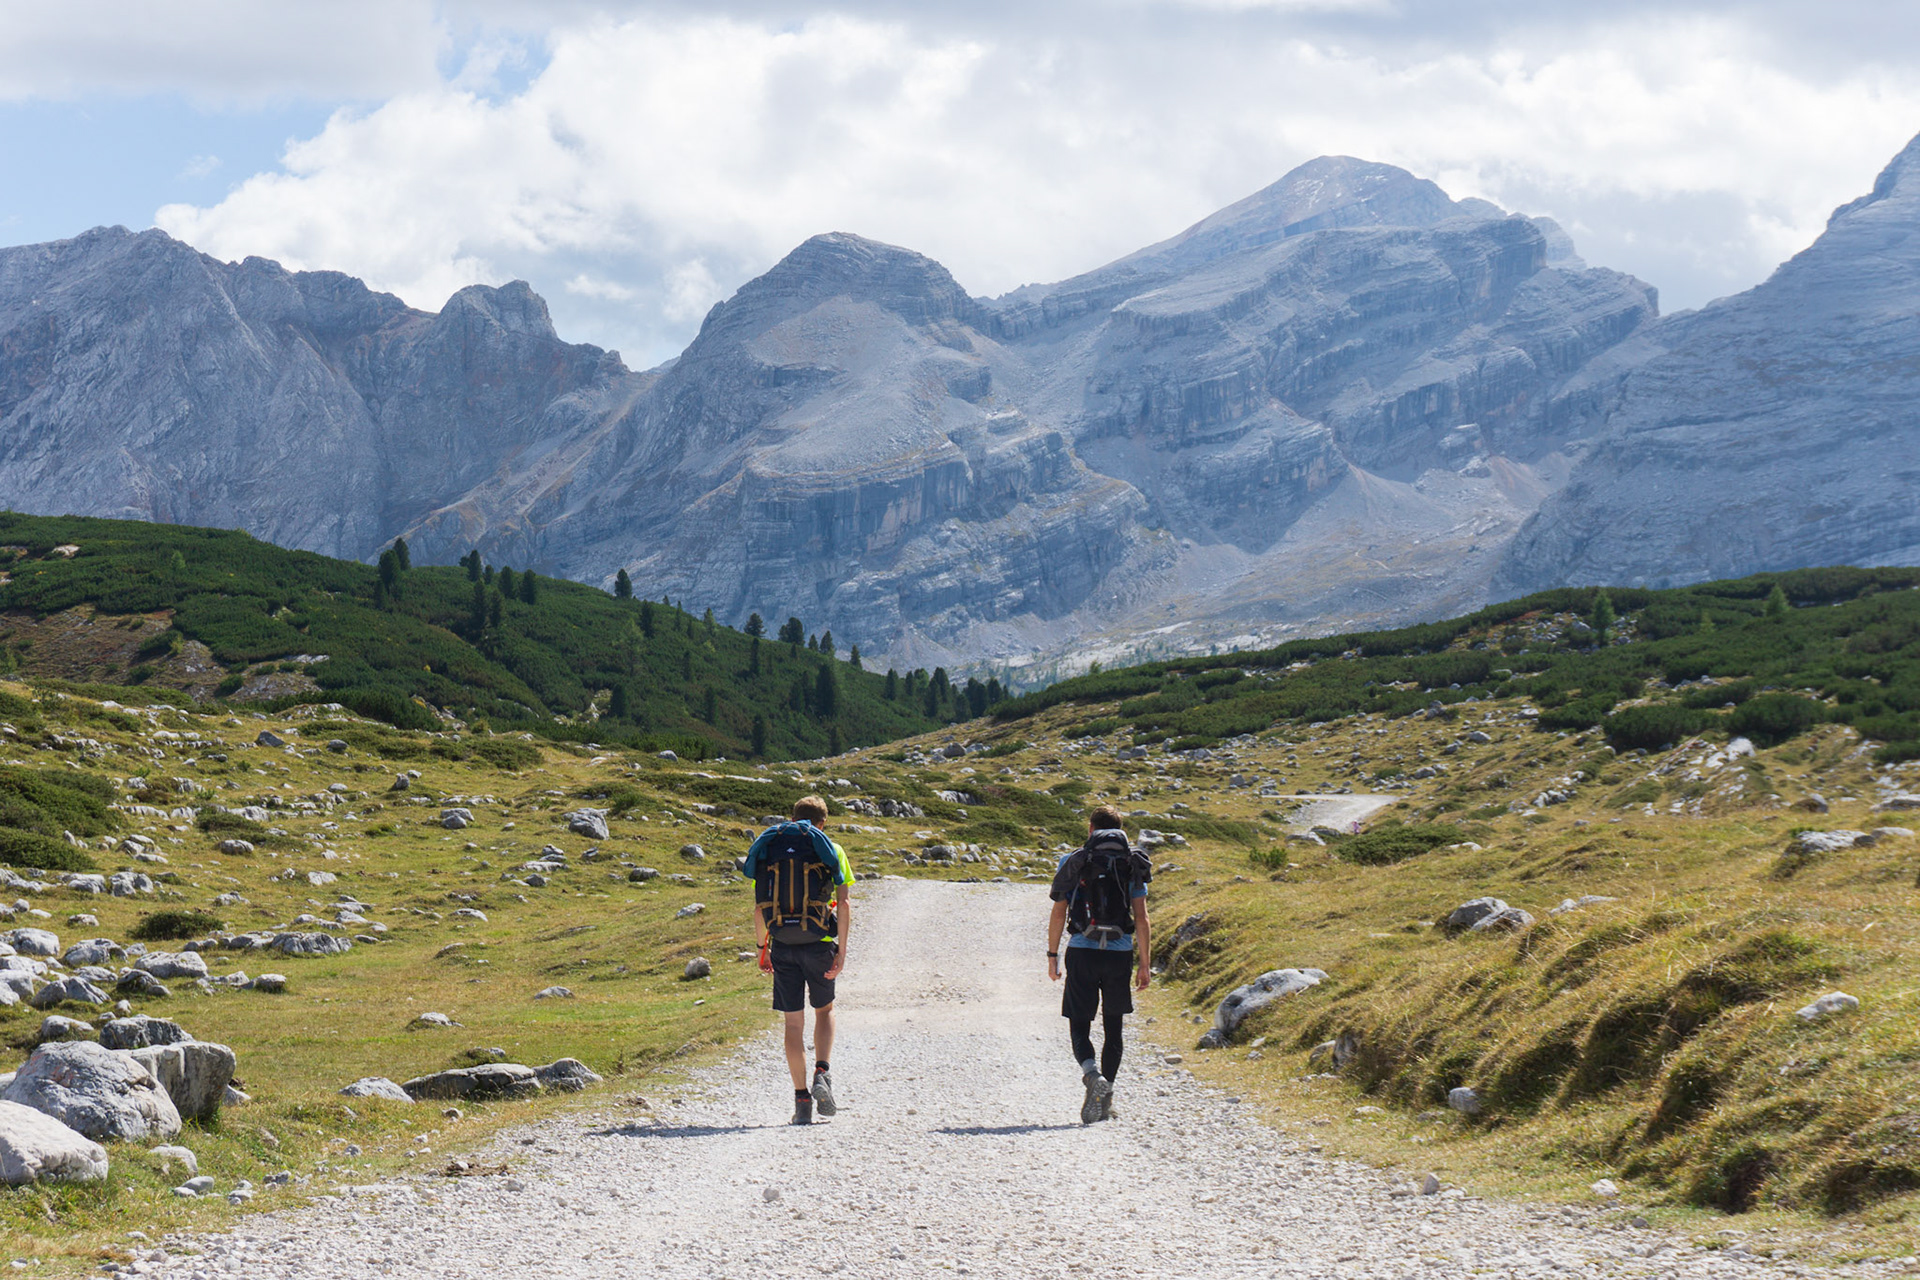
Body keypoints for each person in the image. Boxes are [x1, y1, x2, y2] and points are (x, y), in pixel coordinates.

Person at [742, 795, 853, 1125]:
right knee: (825, 1010)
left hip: (782, 946)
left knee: (793, 1023)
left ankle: (801, 1100)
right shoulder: (831, 848)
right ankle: (823, 1072)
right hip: (819, 943)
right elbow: (844, 905)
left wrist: (763, 948)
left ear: (793, 817)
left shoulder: (772, 849)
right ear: (823, 824)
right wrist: (842, 952)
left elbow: (760, 906)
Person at [1047, 805, 1152, 1124]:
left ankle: (1093, 1076)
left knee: (1079, 1024)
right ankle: (1107, 1096)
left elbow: (1058, 912)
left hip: (1082, 950)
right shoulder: (1132, 862)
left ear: (1090, 829)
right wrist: (1145, 964)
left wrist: (1052, 956)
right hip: (1119, 954)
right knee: (1114, 1026)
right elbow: (1142, 918)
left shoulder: (1073, 860)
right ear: (1121, 830)